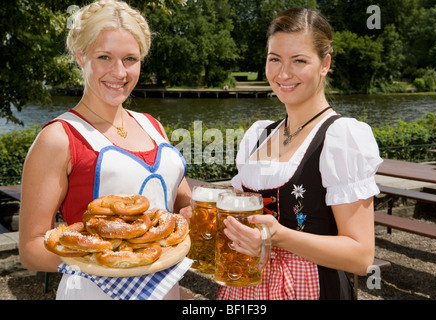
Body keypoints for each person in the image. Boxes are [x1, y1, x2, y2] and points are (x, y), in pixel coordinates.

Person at [18, 0, 192, 300]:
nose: (119, 72)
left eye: (130, 59)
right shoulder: (59, 137)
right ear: (80, 56)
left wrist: (197, 210)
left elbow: (177, 203)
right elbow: (32, 249)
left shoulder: (152, 125)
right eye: (104, 57)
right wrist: (110, 262)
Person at [218, 7, 383, 300]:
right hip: (247, 289)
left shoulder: (342, 138)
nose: (283, 73)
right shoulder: (258, 135)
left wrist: (278, 237)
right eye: (275, 59)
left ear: (324, 63)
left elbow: (360, 256)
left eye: (299, 60)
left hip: (313, 289)